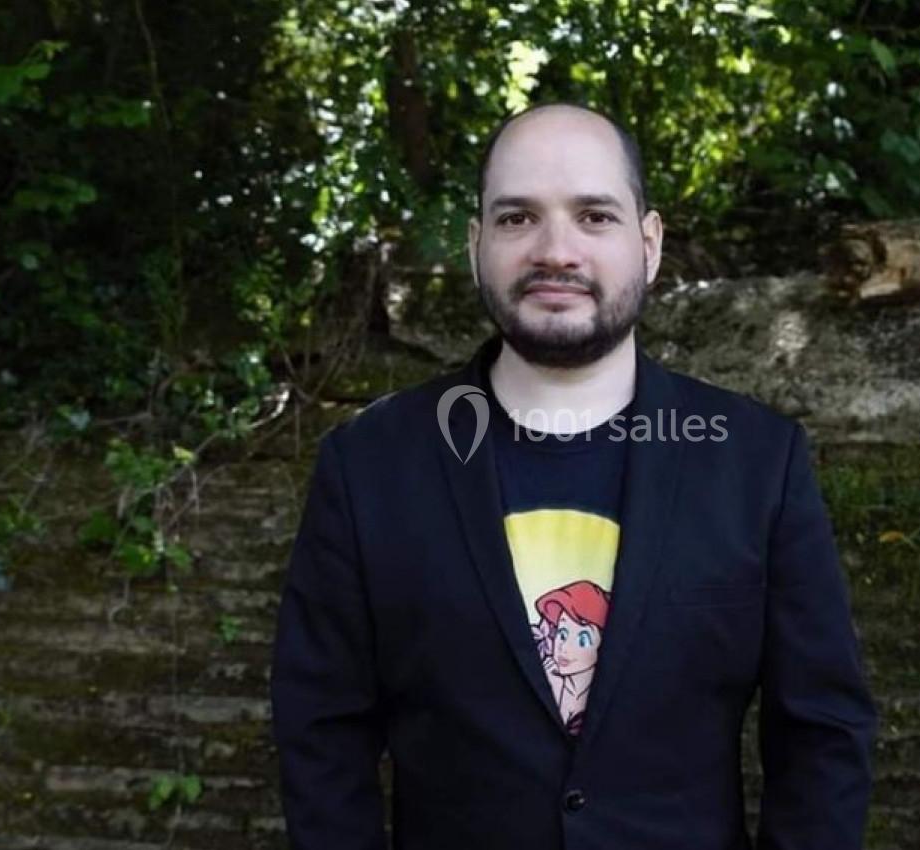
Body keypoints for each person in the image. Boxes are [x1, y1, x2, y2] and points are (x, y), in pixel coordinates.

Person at [270, 102, 876, 850]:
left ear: (649, 244)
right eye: (518, 218)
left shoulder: (757, 461)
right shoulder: (368, 464)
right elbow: (322, 732)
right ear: (475, 244)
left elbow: (822, 730)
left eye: (594, 216)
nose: (556, 251)